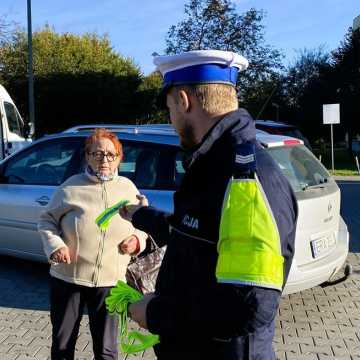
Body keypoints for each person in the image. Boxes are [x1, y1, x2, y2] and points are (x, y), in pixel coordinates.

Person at [119, 50, 298, 360]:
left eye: (170, 108)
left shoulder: (242, 177)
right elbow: (196, 236)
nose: (171, 120)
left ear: (184, 100)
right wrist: (140, 215)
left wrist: (157, 313)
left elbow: (249, 304)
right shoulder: (213, 164)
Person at [38, 128, 148, 360]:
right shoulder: (71, 187)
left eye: (110, 154)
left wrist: (137, 240)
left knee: (107, 349)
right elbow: (46, 221)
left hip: (111, 281)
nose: (104, 159)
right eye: (97, 153)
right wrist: (55, 246)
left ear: (119, 158)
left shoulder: (128, 189)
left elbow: (143, 226)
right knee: (62, 345)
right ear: (87, 156)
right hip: (68, 279)